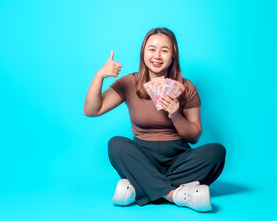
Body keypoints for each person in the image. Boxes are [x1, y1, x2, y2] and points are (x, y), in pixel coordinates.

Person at [83, 28, 226, 212]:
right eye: (152, 49)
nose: (157, 56)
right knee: (116, 144)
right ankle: (175, 195)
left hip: (179, 160)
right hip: (141, 159)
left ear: (173, 56)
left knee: (217, 152)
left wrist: (176, 115)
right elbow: (91, 110)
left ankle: (138, 187)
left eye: (164, 50)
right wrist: (99, 76)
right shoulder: (129, 83)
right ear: (143, 53)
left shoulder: (187, 87)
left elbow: (194, 137)